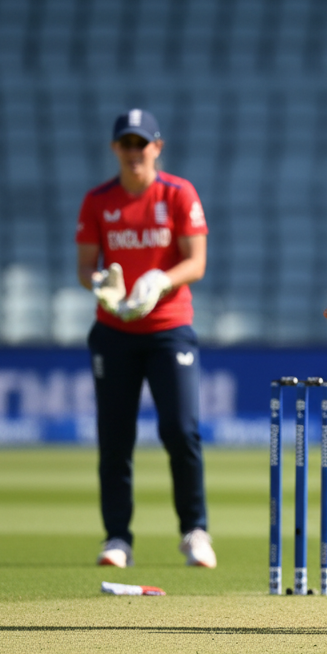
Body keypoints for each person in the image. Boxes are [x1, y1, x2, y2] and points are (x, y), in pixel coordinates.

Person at [76, 109, 216, 570]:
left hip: (168, 328)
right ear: (115, 148)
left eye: (142, 144)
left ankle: (194, 530)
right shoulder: (98, 200)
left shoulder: (178, 193)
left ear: (157, 147)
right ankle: (117, 538)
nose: (134, 153)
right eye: (126, 144)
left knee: (180, 430)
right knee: (115, 437)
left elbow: (195, 262)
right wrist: (104, 287)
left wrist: (158, 281)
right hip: (113, 330)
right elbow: (85, 267)